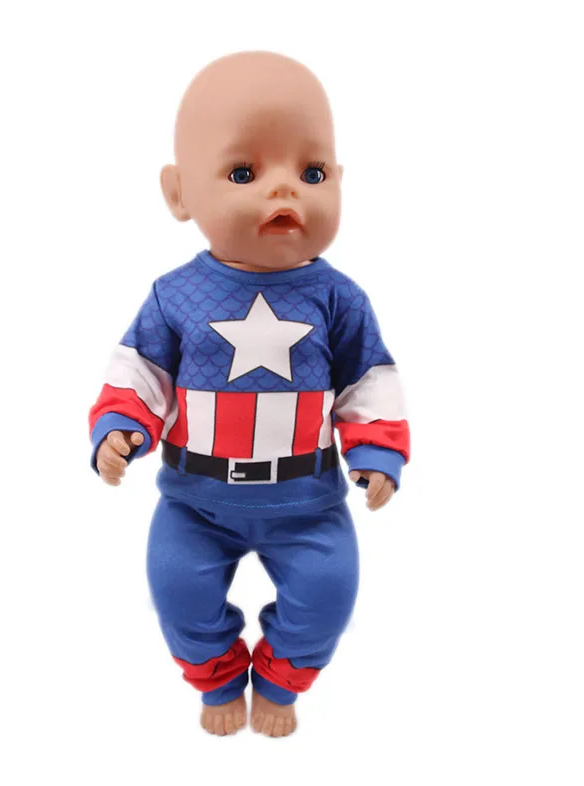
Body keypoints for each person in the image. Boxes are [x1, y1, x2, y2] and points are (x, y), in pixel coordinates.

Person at [88, 51, 410, 737]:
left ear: (340, 181)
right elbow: (139, 373)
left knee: (329, 594)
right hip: (196, 502)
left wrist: (377, 451)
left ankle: (284, 679)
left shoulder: (339, 299)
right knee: (178, 591)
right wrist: (121, 427)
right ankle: (216, 677)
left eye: (312, 173)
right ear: (179, 194)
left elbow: (368, 380)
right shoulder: (174, 298)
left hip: (309, 502)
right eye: (244, 173)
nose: (284, 189)